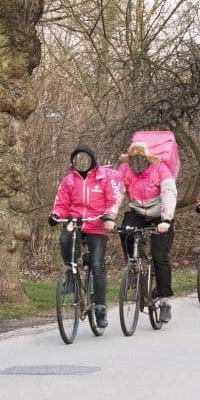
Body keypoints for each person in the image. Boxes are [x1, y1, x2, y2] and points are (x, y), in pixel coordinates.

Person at [48, 146, 119, 329]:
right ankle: (70, 275)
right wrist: (56, 214)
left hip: (97, 225)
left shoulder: (104, 178)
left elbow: (113, 199)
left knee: (97, 265)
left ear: (92, 160)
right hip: (76, 222)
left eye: (85, 159)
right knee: (65, 239)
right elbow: (61, 202)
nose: (82, 163)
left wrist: (109, 216)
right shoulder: (69, 180)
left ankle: (101, 309)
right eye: (78, 160)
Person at [118, 141, 177, 323]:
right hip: (138, 212)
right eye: (134, 159)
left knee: (160, 256)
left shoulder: (161, 170)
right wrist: (108, 216)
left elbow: (169, 193)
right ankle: (135, 265)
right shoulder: (125, 170)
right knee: (125, 232)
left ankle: (165, 301)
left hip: (160, 215)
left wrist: (166, 219)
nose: (137, 163)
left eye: (140, 159)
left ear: (147, 159)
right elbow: (116, 193)